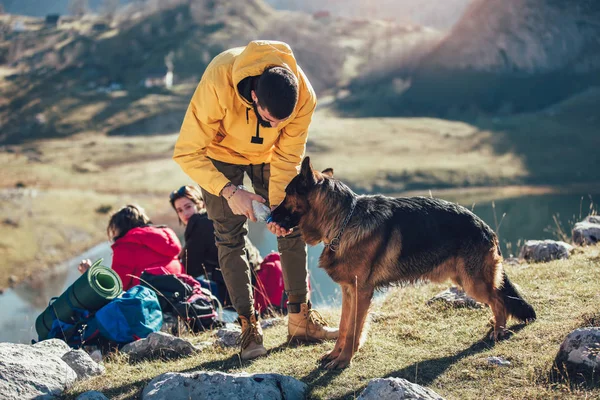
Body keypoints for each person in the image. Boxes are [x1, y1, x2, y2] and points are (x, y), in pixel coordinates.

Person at [173, 40, 338, 360]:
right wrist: (229, 192)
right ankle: (249, 327)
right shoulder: (218, 81)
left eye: (281, 122)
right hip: (220, 156)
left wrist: (279, 209)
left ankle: (300, 319)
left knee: (291, 226)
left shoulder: (304, 96)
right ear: (253, 97)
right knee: (229, 237)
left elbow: (289, 155)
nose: (276, 126)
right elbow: (187, 152)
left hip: (271, 157)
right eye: (270, 118)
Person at [78, 204, 183, 290]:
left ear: (118, 228)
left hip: (149, 305)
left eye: (113, 230)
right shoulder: (166, 237)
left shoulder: (126, 246)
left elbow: (115, 288)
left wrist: (90, 274)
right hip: (179, 296)